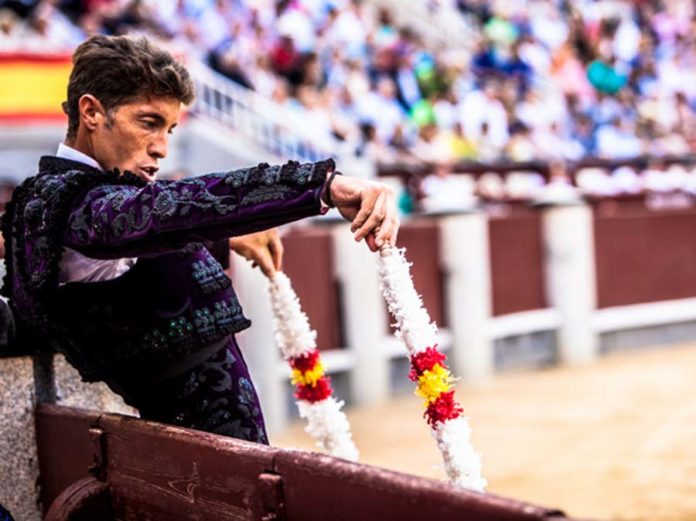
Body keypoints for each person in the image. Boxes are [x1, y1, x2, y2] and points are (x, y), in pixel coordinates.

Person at [0, 34, 399, 444]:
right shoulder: (74, 205)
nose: (161, 149)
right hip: (198, 457)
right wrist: (321, 187)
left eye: (170, 129)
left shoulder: (81, 201)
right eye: (148, 123)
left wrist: (228, 241)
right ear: (92, 113)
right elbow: (166, 212)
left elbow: (139, 251)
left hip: (204, 444)